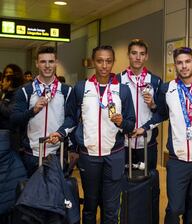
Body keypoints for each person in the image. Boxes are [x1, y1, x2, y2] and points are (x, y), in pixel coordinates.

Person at [133, 47, 192, 224]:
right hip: (177, 161)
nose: (184, 66)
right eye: (180, 63)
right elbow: (160, 114)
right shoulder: (167, 89)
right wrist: (145, 128)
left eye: (187, 62)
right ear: (175, 65)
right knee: (174, 209)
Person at [56, 45, 135, 224]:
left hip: (114, 155)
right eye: (100, 61)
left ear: (113, 62)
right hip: (88, 156)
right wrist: (61, 132)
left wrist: (122, 122)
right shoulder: (81, 88)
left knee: (111, 207)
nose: (104, 65)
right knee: (90, 205)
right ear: (93, 62)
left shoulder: (122, 90)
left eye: (108, 61)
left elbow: (131, 124)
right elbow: (71, 118)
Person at [10, 46, 73, 177]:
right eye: (43, 62)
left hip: (57, 153)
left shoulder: (66, 91)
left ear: (56, 63)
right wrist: (33, 110)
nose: (47, 66)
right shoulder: (25, 91)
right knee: (32, 196)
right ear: (37, 64)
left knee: (56, 196)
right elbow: (14, 119)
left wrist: (60, 133)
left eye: (51, 61)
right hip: (31, 154)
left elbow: (72, 118)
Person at [119, 38, 162, 170]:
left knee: (149, 183)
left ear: (146, 56)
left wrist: (153, 105)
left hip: (147, 141)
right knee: (123, 183)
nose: (138, 57)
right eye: (134, 53)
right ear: (128, 55)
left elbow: (162, 113)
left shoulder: (155, 81)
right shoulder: (117, 80)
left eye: (142, 54)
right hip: (123, 142)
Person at [0, 65, 27, 222]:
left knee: (10, 180)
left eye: (8, 76)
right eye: (6, 75)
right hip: (4, 141)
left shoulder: (17, 95)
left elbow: (11, 114)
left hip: (12, 141)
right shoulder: (6, 95)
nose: (5, 80)